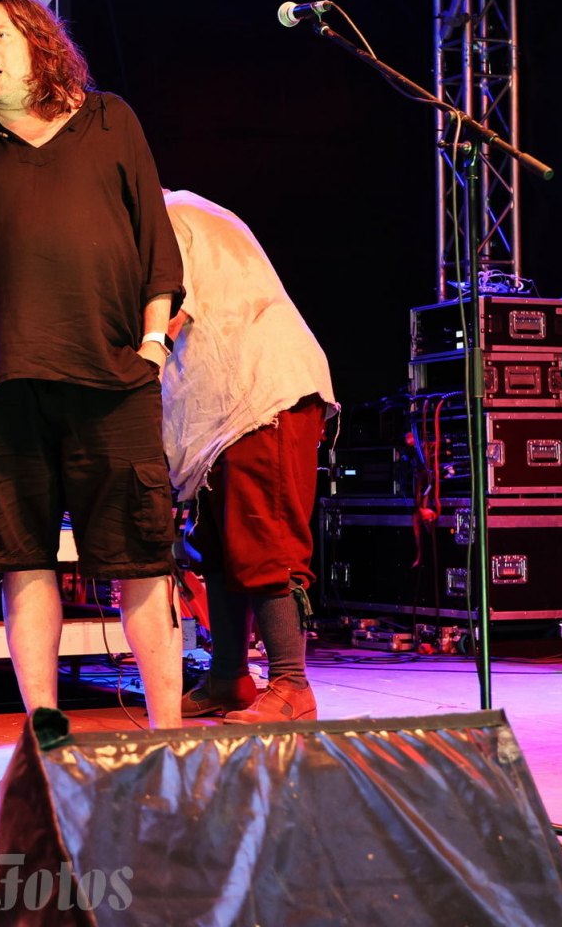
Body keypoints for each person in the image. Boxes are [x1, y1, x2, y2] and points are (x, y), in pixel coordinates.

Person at [0, 0, 185, 727]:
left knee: (141, 558)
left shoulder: (109, 119)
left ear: (40, 42)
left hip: (112, 377)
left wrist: (154, 344)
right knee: (23, 560)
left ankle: (169, 731)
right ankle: (44, 726)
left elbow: (157, 244)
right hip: (2, 382)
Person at [159, 189, 336, 723]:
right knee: (220, 547)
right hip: (226, 404)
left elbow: (166, 318)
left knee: (266, 540)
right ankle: (228, 677)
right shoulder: (183, 210)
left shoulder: (170, 217)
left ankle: (292, 684)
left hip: (258, 393)